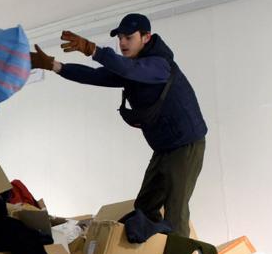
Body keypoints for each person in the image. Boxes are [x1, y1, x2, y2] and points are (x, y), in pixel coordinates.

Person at [31, 13, 206, 237]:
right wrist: (55, 66)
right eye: (120, 38)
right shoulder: (132, 67)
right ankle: (150, 253)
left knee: (176, 212)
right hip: (164, 148)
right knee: (145, 206)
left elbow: (129, 70)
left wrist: (93, 50)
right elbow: (95, 76)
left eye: (128, 38)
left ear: (146, 37)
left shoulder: (160, 64)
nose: (122, 43)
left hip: (186, 145)